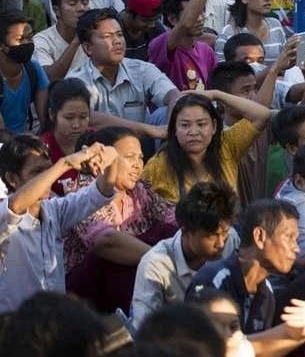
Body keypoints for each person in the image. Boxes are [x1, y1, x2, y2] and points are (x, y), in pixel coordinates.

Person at [63, 127, 177, 312]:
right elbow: (105, 240)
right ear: (105, 158)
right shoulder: (83, 190)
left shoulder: (139, 190)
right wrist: (163, 260)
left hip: (127, 279)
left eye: (140, 158)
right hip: (87, 290)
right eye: (129, 157)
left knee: (169, 232)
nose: (137, 165)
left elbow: (173, 216)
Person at [0, 135, 119, 313]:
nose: (48, 178)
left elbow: (102, 191)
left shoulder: (54, 210)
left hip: (55, 321)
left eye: (48, 170)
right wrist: (65, 163)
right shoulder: (4, 214)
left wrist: (110, 157)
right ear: (12, 178)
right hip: (14, 325)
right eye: (37, 172)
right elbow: (15, 206)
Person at [188, 199, 305, 351]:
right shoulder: (213, 281)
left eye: (296, 240)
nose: (297, 249)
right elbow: (210, 349)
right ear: (259, 237)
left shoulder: (267, 293)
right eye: (289, 237)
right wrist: (288, 334)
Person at [130, 180, 239, 328]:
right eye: (211, 236)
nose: (220, 244)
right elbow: (144, 329)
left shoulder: (231, 240)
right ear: (187, 231)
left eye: (224, 233)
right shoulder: (155, 265)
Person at [141, 90, 272, 203]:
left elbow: (262, 115)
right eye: (185, 125)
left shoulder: (226, 145)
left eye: (201, 124)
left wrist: (216, 94)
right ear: (174, 128)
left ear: (214, 126)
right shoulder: (157, 165)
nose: (193, 132)